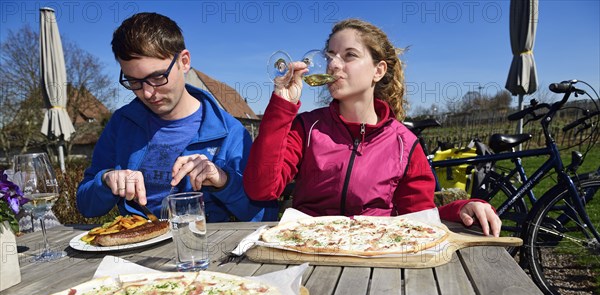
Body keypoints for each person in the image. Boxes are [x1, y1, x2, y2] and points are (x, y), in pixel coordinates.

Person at [243, 18, 501, 236]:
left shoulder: (405, 143)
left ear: (378, 71)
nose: (333, 64)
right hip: (307, 251)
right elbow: (261, 189)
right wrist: (282, 106)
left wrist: (460, 209)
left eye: (349, 55)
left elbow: (419, 218)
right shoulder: (307, 127)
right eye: (330, 56)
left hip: (374, 260)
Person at [77, 12, 277, 222]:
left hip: (200, 248)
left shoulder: (230, 134)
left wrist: (224, 182)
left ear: (184, 61)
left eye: (157, 77)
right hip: (133, 245)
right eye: (133, 81)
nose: (147, 93)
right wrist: (105, 180)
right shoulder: (121, 123)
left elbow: (265, 216)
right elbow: (86, 206)